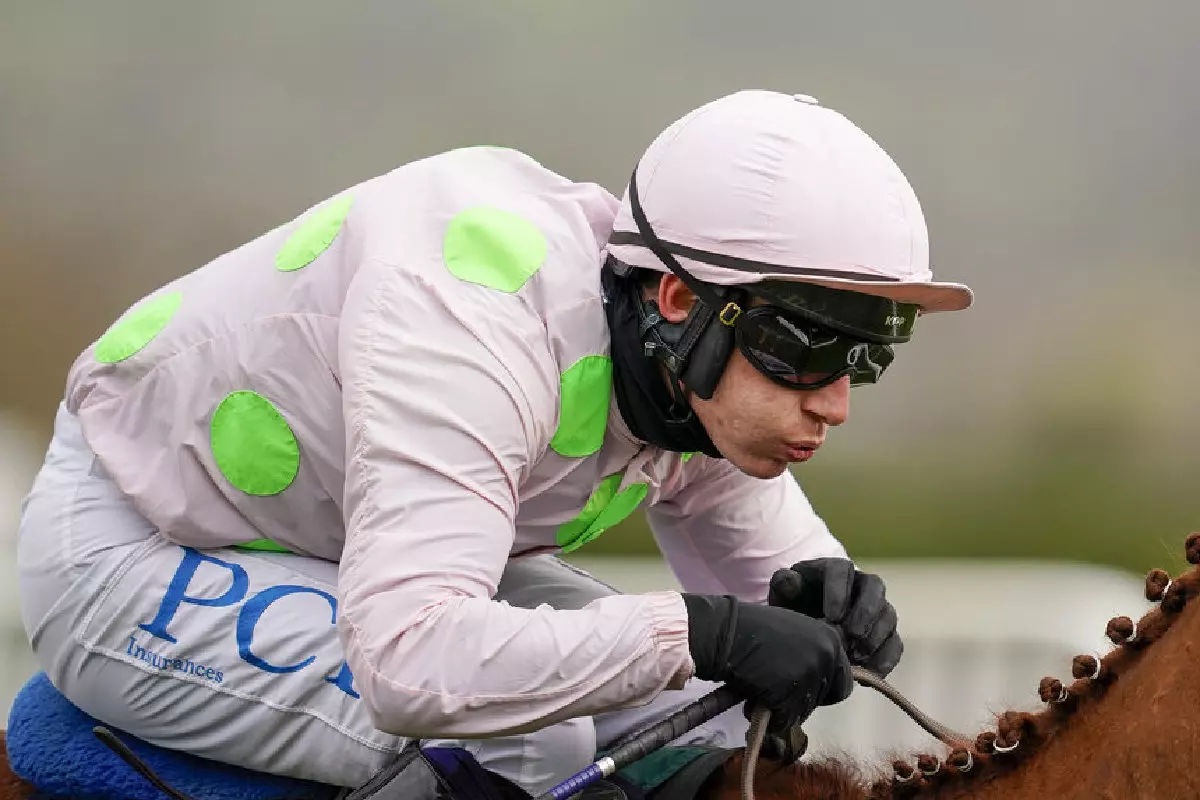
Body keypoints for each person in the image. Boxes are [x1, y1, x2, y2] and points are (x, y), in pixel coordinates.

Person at [16, 89, 972, 797]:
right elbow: (414, 663)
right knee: (532, 742)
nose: (834, 403)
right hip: (135, 548)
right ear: (681, 300)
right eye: (805, 347)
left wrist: (829, 598)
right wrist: (707, 630)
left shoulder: (683, 362)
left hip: (336, 551)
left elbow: (764, 580)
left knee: (686, 708)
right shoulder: (471, 325)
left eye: (863, 356)